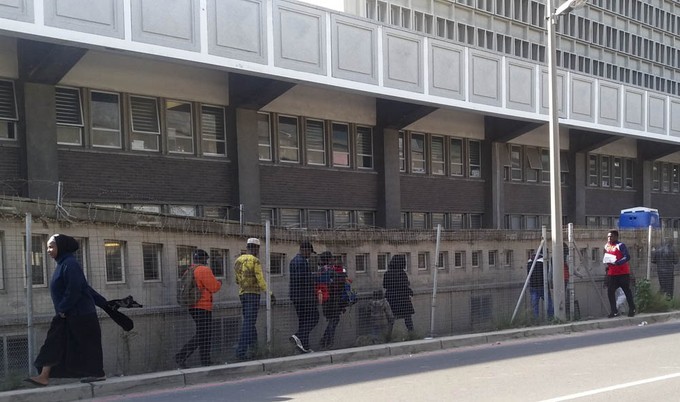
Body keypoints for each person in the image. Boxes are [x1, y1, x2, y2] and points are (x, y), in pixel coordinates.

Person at [26, 234, 105, 387]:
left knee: (87, 345)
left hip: (80, 314)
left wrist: (63, 308)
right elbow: (84, 288)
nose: (48, 250)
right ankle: (44, 375)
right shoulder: (63, 264)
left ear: (61, 247)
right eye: (48, 246)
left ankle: (98, 374)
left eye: (51, 246)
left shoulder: (70, 264)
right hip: (67, 314)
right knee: (54, 342)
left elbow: (75, 289)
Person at [175, 249, 222, 368]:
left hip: (192, 306)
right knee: (203, 334)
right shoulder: (204, 270)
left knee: (204, 334)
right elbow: (214, 287)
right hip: (203, 306)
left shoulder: (189, 270)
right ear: (203, 259)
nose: (206, 262)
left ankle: (205, 361)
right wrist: (219, 283)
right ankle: (181, 356)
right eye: (206, 260)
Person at [234, 238, 267, 360]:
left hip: (242, 294)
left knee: (249, 323)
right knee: (249, 323)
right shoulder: (255, 261)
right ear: (256, 248)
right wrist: (268, 293)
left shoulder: (238, 260)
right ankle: (240, 351)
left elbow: (236, 280)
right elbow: (260, 279)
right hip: (253, 294)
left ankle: (254, 350)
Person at [289, 241, 319, 353]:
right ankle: (298, 336)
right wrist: (313, 278)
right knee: (314, 317)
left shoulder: (293, 261)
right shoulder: (301, 262)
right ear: (304, 250)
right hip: (305, 297)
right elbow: (302, 279)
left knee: (303, 321)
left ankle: (304, 347)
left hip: (297, 296)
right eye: (309, 252)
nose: (310, 255)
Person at [316, 251, 348, 349]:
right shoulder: (333, 270)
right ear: (329, 259)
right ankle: (328, 341)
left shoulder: (320, 270)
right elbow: (340, 284)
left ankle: (326, 340)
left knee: (332, 320)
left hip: (324, 299)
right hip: (334, 299)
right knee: (334, 320)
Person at [603, 230, 636, 318]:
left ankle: (632, 308)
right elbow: (606, 256)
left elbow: (627, 256)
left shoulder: (620, 245)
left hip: (622, 273)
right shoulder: (606, 246)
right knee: (610, 291)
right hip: (612, 273)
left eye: (611, 236)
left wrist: (618, 262)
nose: (609, 238)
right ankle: (614, 311)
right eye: (608, 237)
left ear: (616, 237)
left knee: (626, 291)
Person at [382, 255, 415, 336]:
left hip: (391, 298)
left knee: (391, 319)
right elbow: (404, 286)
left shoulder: (387, 273)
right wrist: (410, 292)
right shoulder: (402, 273)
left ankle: (388, 336)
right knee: (408, 318)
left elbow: (385, 285)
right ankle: (412, 335)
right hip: (402, 298)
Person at [526, 253, 554, 320]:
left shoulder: (529, 263)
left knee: (535, 305)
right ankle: (551, 317)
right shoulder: (544, 262)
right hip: (543, 286)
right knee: (549, 303)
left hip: (533, 286)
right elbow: (549, 274)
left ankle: (536, 320)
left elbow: (528, 274)